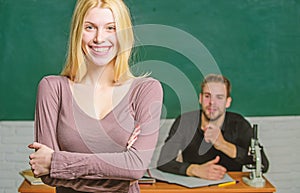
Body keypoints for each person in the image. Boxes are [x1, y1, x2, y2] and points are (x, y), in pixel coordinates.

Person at [28, 0, 163, 192]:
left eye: (111, 28)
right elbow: (46, 174)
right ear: (77, 32)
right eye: (89, 27)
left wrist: (57, 162)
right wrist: (118, 174)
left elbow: (135, 167)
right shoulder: (52, 88)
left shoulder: (145, 90)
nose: (99, 38)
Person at [157, 74, 268, 180]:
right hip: (194, 187)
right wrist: (195, 170)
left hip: (231, 189)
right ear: (200, 98)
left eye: (219, 97)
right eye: (207, 96)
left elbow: (263, 165)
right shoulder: (185, 122)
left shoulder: (239, 124)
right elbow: (163, 162)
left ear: (227, 102)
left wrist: (223, 145)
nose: (212, 102)